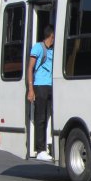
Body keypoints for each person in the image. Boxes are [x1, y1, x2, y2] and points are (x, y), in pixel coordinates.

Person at [27, 25, 55, 162]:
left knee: (50, 118)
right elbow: (30, 67)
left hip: (51, 86)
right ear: (51, 36)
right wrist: (31, 89)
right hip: (40, 86)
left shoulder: (53, 50)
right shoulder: (38, 47)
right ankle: (40, 149)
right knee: (41, 118)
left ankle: (49, 146)